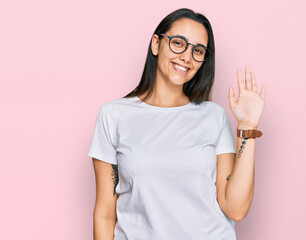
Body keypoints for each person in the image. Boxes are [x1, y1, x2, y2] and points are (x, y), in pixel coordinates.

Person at [88, 8, 266, 240]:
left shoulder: (213, 116)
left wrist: (247, 126)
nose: (187, 57)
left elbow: (236, 208)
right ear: (156, 44)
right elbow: (105, 213)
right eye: (179, 43)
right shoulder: (113, 116)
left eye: (198, 50)